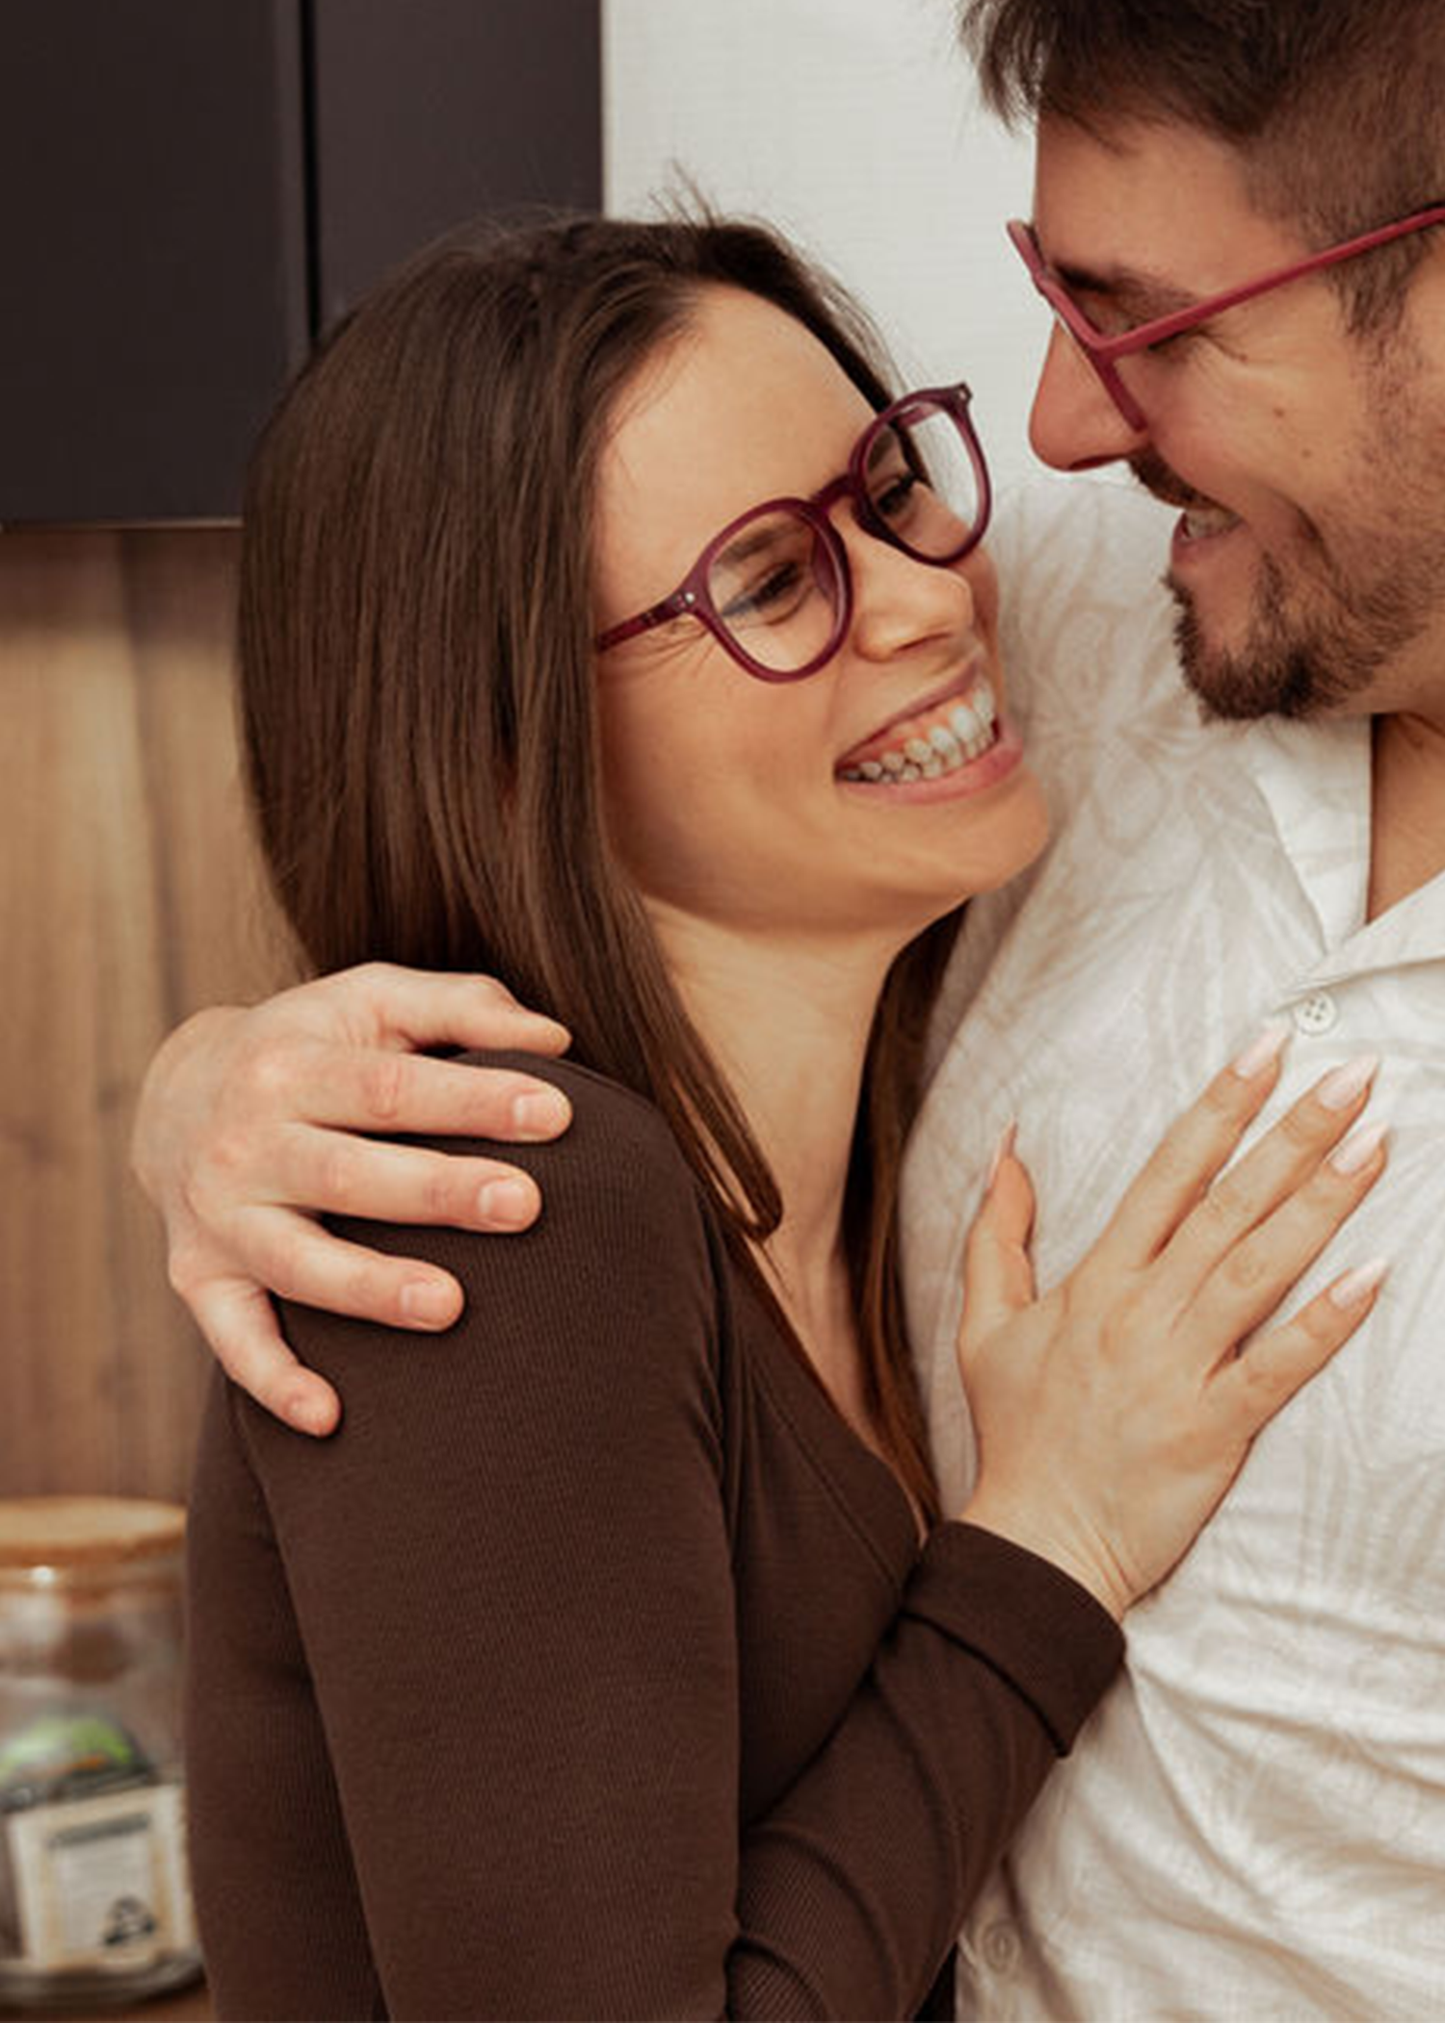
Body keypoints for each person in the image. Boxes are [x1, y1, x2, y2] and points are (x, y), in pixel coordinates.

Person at [135, 0, 1445, 2012]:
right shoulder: (1165, 602)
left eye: (1148, 320)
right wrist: (211, 1088)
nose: (952, 561)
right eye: (770, 580)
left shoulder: (955, 782)